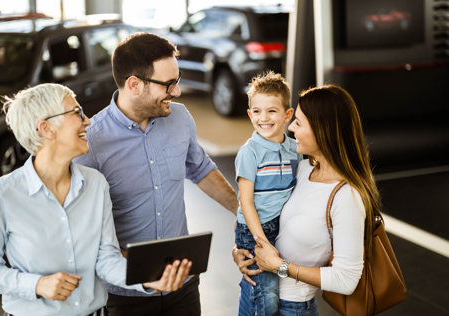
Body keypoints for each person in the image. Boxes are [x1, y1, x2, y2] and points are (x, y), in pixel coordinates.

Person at [0, 83, 192, 316]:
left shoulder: (95, 184)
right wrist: (36, 285)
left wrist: (147, 279)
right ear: (46, 128)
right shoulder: (0, 195)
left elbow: (106, 259)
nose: (88, 121)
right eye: (77, 113)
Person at [72, 32, 239, 316]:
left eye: (178, 79)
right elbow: (86, 230)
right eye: (169, 84)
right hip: (127, 295)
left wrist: (242, 211)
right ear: (134, 84)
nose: (177, 92)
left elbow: (200, 169)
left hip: (183, 283)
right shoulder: (91, 143)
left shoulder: (180, 117)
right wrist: (142, 273)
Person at [233, 84, 383, 316]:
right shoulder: (302, 169)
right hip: (252, 290)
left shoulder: (347, 197)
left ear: (324, 130)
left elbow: (346, 280)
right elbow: (258, 204)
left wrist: (278, 266)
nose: (290, 127)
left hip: (292, 308)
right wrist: (244, 249)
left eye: (299, 123)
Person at [234, 71, 302, 316]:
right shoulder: (249, 153)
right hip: (256, 230)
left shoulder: (296, 148)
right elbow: (247, 202)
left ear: (287, 115)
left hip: (280, 225)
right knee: (267, 294)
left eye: (272, 111)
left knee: (278, 289)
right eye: (258, 111)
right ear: (250, 114)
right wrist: (261, 241)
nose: (264, 118)